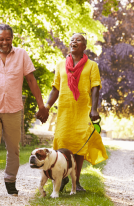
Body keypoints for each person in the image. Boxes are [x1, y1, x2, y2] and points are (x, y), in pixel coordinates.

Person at [0, 24, 48, 198]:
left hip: (13, 108)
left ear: (12, 38)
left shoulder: (21, 55)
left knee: (13, 148)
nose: (5, 42)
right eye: (1, 39)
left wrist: (41, 106)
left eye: (8, 39)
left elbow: (31, 80)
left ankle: (10, 180)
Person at [37, 33, 109, 192]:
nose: (74, 41)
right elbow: (55, 88)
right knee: (62, 143)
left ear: (84, 47)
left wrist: (94, 109)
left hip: (83, 111)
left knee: (79, 146)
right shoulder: (60, 65)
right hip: (65, 111)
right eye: (72, 40)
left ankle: (76, 182)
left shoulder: (92, 66)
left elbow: (95, 87)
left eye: (78, 40)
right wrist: (47, 106)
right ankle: (62, 178)